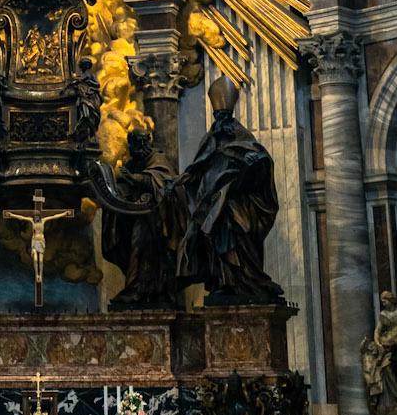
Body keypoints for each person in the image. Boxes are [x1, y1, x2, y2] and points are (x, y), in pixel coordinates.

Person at [171, 77, 282, 304]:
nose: (220, 120)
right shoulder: (210, 138)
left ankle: (248, 281)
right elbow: (197, 167)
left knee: (239, 239)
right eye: (217, 116)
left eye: (224, 116)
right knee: (212, 239)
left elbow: (262, 159)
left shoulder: (242, 137)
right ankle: (223, 282)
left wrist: (253, 161)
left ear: (230, 117)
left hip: (237, 201)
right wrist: (178, 181)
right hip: (212, 201)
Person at [102, 125, 178, 307]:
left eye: (139, 144)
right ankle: (138, 289)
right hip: (136, 217)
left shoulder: (159, 159)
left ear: (147, 142)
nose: (136, 148)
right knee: (133, 249)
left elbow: (161, 181)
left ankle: (141, 290)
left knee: (141, 248)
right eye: (133, 145)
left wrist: (134, 178)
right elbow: (124, 187)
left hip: (154, 221)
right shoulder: (132, 162)